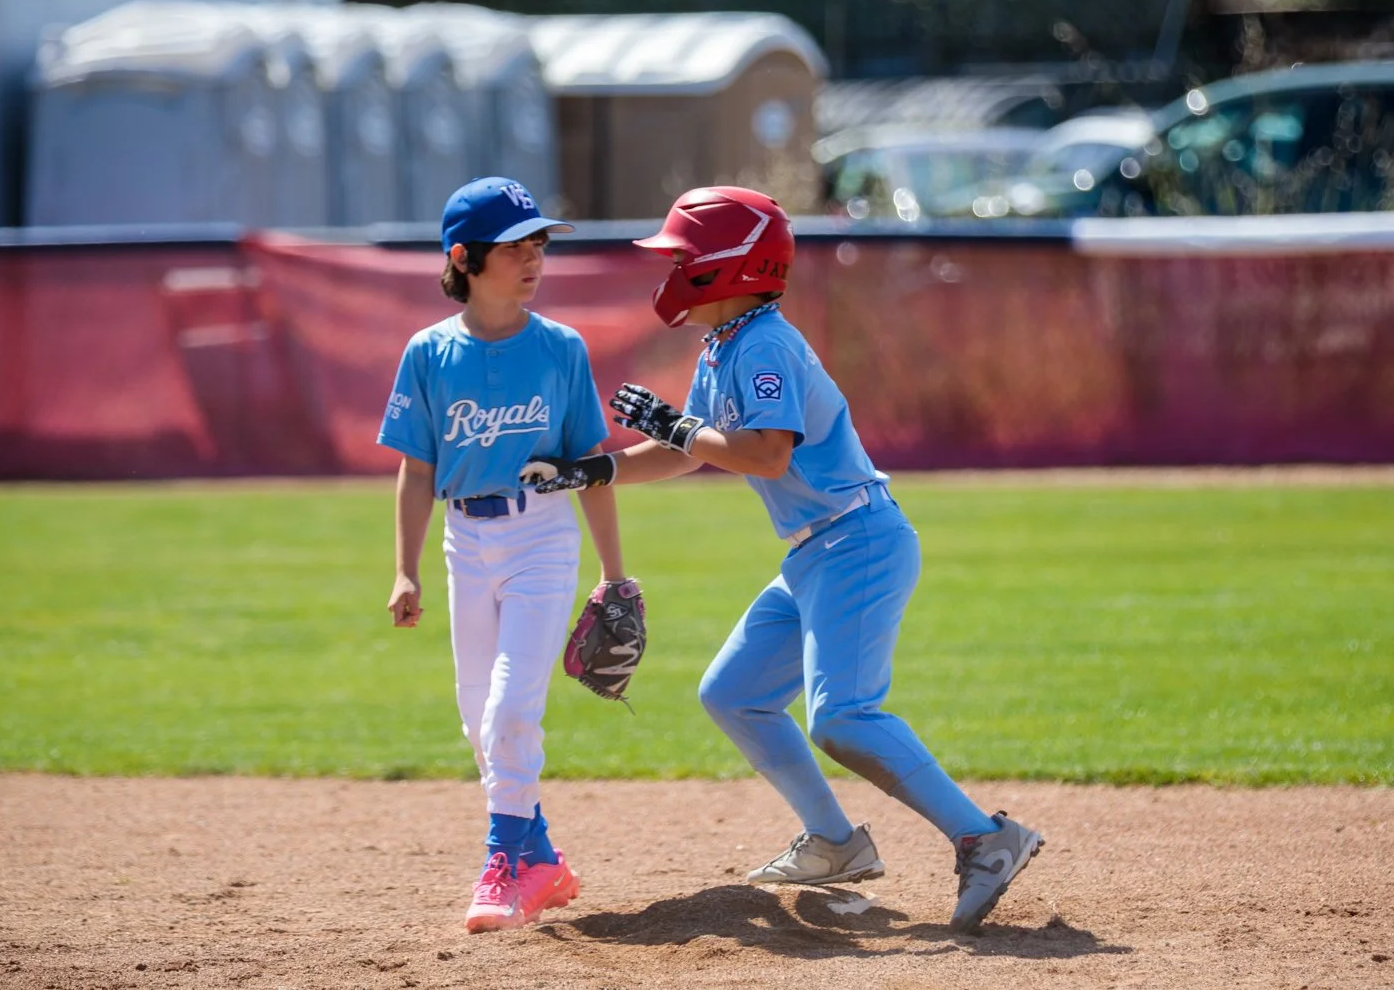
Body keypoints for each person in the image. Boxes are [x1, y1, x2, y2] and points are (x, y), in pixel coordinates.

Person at [521, 186, 1043, 934]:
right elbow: (688, 453)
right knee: (733, 692)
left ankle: (985, 837)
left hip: (856, 541)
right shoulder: (728, 344)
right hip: (817, 553)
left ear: (726, 269)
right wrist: (597, 470)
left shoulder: (764, 343)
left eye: (682, 256)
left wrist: (677, 424)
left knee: (844, 716)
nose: (669, 269)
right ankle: (835, 842)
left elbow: (765, 455)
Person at [379, 176, 629, 934]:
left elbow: (591, 461)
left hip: (542, 537)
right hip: (464, 539)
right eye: (516, 246)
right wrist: (405, 567)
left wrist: (614, 572)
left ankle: (504, 866)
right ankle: (543, 856)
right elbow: (417, 468)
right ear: (464, 255)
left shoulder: (559, 348)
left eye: (539, 243)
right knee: (476, 717)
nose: (534, 257)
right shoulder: (428, 353)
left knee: (512, 706)